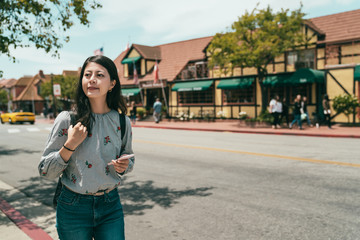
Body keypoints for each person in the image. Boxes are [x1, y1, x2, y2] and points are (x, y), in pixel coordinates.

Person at [38, 55, 134, 240]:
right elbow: (45, 171)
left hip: (110, 204)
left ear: (112, 84)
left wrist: (125, 166)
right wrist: (70, 145)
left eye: (99, 74)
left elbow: (129, 157)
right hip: (73, 205)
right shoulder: (67, 119)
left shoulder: (123, 121)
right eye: (87, 74)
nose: (92, 79)